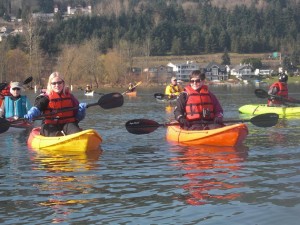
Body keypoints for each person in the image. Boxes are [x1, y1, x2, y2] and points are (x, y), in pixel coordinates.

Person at [24, 72, 87, 137]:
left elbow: (78, 117)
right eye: (54, 83)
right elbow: (38, 107)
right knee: (53, 132)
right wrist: (32, 113)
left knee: (76, 131)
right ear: (50, 85)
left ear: (63, 83)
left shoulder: (70, 97)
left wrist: (81, 111)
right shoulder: (45, 97)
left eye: (59, 82)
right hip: (50, 124)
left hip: (67, 124)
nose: (57, 85)